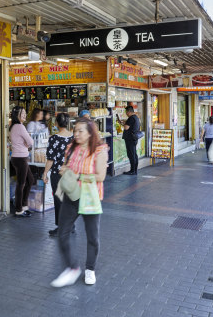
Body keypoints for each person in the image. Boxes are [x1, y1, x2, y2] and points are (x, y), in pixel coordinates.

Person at [50, 118, 108, 288]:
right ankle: (72, 268)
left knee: (92, 237)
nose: (76, 134)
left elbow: (101, 176)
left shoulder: (99, 150)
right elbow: (68, 166)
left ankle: (90, 269)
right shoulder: (71, 148)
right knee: (63, 233)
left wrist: (78, 175)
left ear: (90, 132)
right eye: (75, 130)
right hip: (72, 196)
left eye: (80, 131)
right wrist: (65, 170)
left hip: (90, 197)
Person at [42, 113, 73, 237]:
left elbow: (50, 159)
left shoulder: (54, 139)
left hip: (58, 173)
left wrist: (44, 173)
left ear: (56, 124)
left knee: (59, 200)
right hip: (71, 173)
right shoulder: (74, 137)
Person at [9, 106, 34, 217]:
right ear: (16, 115)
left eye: (24, 113)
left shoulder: (14, 126)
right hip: (20, 158)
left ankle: (23, 206)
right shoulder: (19, 127)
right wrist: (26, 144)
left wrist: (25, 144)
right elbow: (30, 141)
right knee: (21, 183)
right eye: (22, 113)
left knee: (29, 180)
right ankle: (19, 209)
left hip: (18, 157)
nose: (24, 115)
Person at [118, 105, 141, 175]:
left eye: (126, 112)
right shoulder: (136, 117)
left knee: (131, 155)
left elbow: (126, 128)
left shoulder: (131, 118)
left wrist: (123, 124)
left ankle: (132, 171)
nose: (126, 114)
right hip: (134, 138)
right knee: (134, 154)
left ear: (129, 112)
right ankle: (135, 170)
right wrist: (125, 122)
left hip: (130, 139)